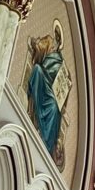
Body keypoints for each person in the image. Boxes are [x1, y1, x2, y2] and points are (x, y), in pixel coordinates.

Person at [26, 20, 71, 168]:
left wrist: (65, 84)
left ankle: (46, 142)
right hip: (44, 81)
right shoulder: (48, 43)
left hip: (52, 92)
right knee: (37, 70)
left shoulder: (60, 60)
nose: (56, 41)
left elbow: (63, 82)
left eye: (58, 39)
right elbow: (38, 48)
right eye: (56, 36)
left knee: (53, 106)